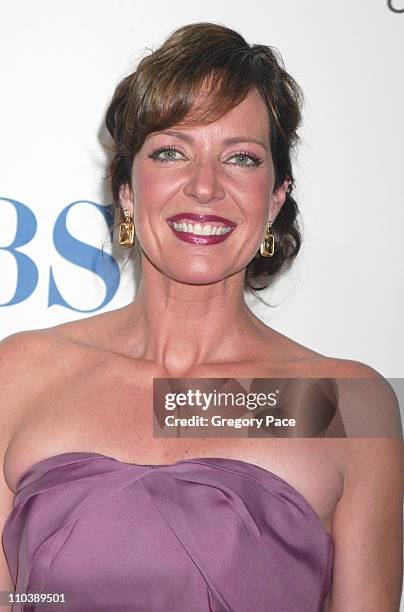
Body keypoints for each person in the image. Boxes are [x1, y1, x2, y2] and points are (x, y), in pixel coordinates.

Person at [0, 21, 403, 612]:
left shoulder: (342, 403)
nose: (205, 187)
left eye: (240, 158)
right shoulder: (20, 373)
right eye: (170, 152)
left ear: (276, 197)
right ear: (128, 192)